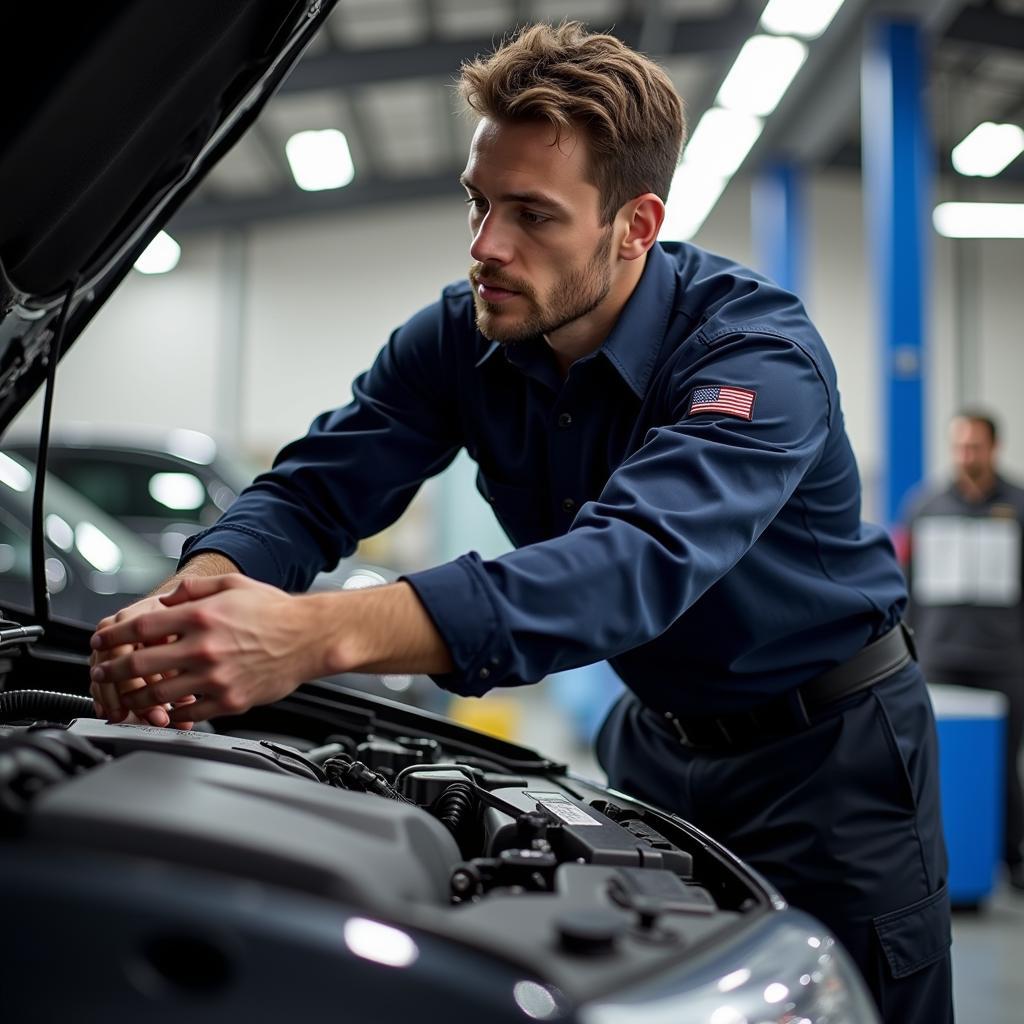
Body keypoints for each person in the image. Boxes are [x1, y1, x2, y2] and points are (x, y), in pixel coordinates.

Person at [87, 23, 952, 1022]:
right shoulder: (460, 336)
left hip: (831, 759)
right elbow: (315, 489)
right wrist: (190, 593)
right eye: (479, 202)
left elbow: (628, 562)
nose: (485, 247)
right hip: (655, 743)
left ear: (633, 225)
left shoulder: (754, 354)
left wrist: (312, 637)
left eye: (532, 215)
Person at [905, 410, 1024, 892]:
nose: (966, 455)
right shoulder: (926, 506)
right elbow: (907, 585)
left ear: (994, 448)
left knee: (1004, 766)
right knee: (937, 766)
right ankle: (936, 861)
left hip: (1006, 661)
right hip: (939, 656)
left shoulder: (1018, 506)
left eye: (975, 446)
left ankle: (1012, 859)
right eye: (960, 446)